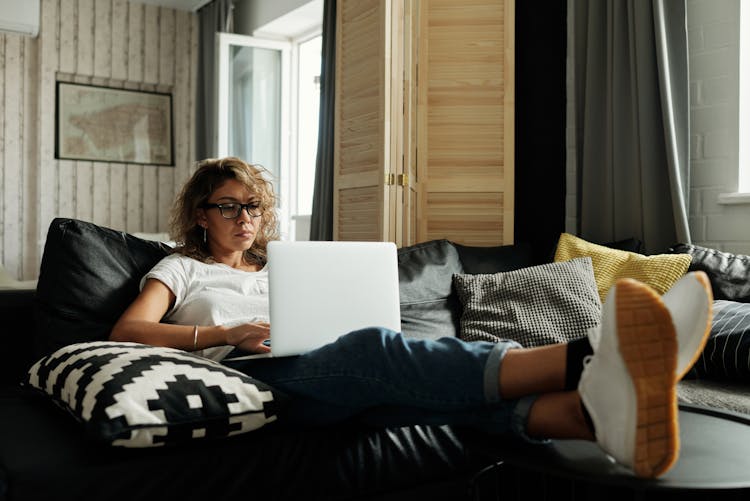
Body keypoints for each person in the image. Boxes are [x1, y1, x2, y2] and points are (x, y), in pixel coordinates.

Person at [110, 157, 714, 479]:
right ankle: (589, 357)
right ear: (200, 215)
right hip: (249, 375)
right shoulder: (182, 269)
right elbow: (126, 333)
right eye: (228, 207)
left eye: (254, 207)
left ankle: (594, 421)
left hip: (316, 366)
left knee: (410, 393)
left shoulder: (283, 268)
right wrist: (225, 332)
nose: (245, 218)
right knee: (372, 351)